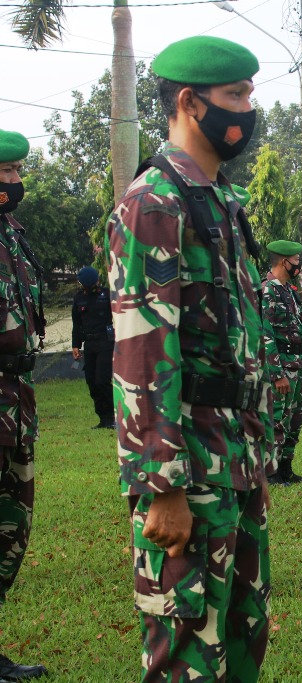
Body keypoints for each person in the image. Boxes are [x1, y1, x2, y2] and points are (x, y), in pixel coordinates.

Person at [106, 36, 272, 682]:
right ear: (188, 102)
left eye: (249, 94)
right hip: (188, 468)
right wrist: (161, 485)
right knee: (186, 651)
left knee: (241, 634)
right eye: (235, 96)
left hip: (235, 459)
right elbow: (144, 356)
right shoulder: (154, 203)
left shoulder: (222, 203)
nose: (248, 109)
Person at [0, 129, 47, 681]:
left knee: (10, 531)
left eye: (16, 173)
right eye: (7, 174)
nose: (16, 183)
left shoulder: (13, 235)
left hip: (16, 401)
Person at [261, 240, 302, 486]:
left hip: (298, 368)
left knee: (294, 419)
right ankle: (270, 473)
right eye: (296, 261)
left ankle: (286, 469)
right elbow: (265, 334)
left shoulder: (290, 292)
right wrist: (276, 374)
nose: (299, 265)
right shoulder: (268, 291)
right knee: (277, 420)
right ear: (284, 261)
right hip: (282, 367)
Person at [71, 265, 114, 429]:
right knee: (92, 382)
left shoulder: (107, 295)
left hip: (106, 343)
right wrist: (76, 345)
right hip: (89, 345)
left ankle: (113, 416)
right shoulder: (78, 298)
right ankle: (103, 418)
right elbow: (77, 324)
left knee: (102, 380)